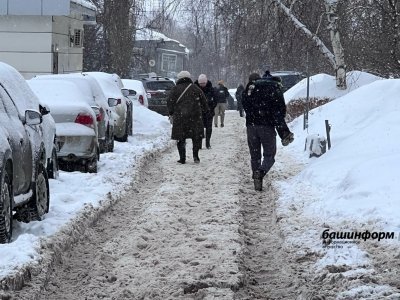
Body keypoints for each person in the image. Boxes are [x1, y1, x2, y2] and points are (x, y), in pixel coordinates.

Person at [242, 71, 290, 191]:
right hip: (267, 127)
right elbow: (280, 109)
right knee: (269, 155)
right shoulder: (270, 89)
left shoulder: (248, 91)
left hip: (251, 127)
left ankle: (256, 180)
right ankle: (261, 172)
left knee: (255, 155)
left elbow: (245, 107)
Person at [167, 70, 209, 164]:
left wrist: (171, 112)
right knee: (196, 137)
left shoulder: (175, 89)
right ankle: (196, 156)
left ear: (179, 79)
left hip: (180, 118)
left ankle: (182, 158)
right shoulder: (195, 88)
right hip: (195, 117)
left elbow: (170, 102)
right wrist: (205, 111)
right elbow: (204, 101)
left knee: (181, 138)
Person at [263, 70, 294, 146]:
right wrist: (282, 113)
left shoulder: (261, 84)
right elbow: (281, 102)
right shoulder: (275, 86)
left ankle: (285, 134)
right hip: (274, 110)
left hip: (263, 113)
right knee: (278, 119)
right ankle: (285, 134)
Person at [194, 74, 217, 149]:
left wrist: (211, 107)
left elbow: (215, 100)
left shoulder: (211, 89)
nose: (202, 85)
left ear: (206, 82)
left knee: (209, 128)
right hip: (198, 112)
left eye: (203, 83)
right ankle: (199, 144)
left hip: (209, 112)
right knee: (199, 129)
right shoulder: (194, 88)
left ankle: (208, 143)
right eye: (201, 84)